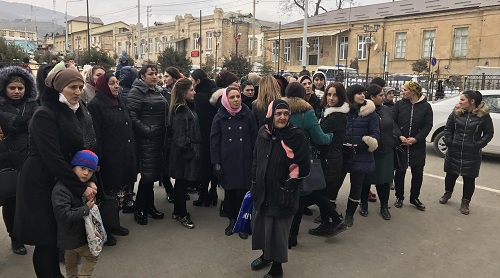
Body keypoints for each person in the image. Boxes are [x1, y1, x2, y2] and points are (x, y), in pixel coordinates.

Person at [14, 68, 97, 277]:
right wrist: (80, 187)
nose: (78, 91)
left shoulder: (74, 110)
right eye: (72, 87)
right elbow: (52, 157)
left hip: (60, 177)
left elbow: (81, 151)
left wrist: (91, 179)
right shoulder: (44, 113)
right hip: (40, 180)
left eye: (80, 87)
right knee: (46, 239)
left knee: (55, 238)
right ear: (59, 88)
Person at [250, 99, 310, 278]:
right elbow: (256, 159)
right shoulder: (263, 132)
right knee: (262, 228)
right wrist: (254, 181)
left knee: (278, 234)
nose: (282, 117)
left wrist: (289, 186)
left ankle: (277, 268)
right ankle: (266, 256)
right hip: (262, 192)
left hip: (282, 194)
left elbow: (303, 166)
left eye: (286, 114)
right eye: (278, 113)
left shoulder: (296, 135)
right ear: (271, 115)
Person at [87, 71, 137, 239]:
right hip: (108, 158)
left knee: (118, 194)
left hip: (123, 155)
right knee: (107, 195)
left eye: (117, 82)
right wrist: (99, 159)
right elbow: (96, 135)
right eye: (112, 83)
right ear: (103, 86)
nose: (116, 86)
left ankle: (114, 224)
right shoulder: (96, 105)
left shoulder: (119, 102)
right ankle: (105, 230)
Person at [0, 66, 39, 255]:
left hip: (29, 157)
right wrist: (25, 121)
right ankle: (15, 237)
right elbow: (11, 123)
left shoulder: (32, 103)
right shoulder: (1, 105)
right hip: (7, 159)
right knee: (12, 201)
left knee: (31, 199)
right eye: (12, 88)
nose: (16, 92)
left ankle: (28, 231)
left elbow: (38, 122)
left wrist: (24, 121)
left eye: (20, 88)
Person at [211, 85, 257, 238]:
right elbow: (214, 141)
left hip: (245, 159)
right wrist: (216, 162)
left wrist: (255, 159)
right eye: (232, 97)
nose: (236, 100)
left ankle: (243, 224)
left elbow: (254, 137)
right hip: (227, 160)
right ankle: (232, 220)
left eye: (238, 96)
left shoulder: (247, 114)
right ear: (226, 99)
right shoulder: (219, 116)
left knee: (243, 193)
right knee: (230, 193)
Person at [330, 84, 380, 227]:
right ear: (351, 95)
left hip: (361, 154)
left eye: (363, 93)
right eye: (358, 93)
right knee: (335, 183)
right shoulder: (342, 111)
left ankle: (349, 214)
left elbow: (375, 133)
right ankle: (329, 211)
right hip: (343, 154)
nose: (362, 95)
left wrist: (366, 144)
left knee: (357, 185)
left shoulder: (371, 113)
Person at [439, 90, 494, 214]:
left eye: (463, 99)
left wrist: (477, 145)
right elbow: (448, 128)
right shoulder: (456, 113)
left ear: (472, 101)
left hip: (472, 153)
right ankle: (447, 193)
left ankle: (465, 202)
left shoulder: (483, 116)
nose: (460, 102)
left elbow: (488, 133)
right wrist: (449, 141)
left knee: (469, 179)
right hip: (454, 149)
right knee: (450, 174)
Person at [127, 64, 167, 225]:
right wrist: (147, 131)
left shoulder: (158, 90)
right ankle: (140, 209)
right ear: (142, 76)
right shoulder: (136, 92)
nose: (155, 76)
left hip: (159, 139)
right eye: (151, 74)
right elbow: (132, 115)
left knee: (153, 175)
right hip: (146, 140)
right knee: (147, 176)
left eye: (156, 73)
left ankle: (149, 205)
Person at [309, 82, 350, 235]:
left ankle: (337, 220)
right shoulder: (329, 112)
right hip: (328, 158)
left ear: (341, 97)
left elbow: (319, 133)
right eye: (329, 94)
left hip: (330, 160)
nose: (331, 98)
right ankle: (326, 224)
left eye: (335, 95)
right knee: (323, 193)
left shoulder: (337, 116)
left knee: (319, 193)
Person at [52, 150, 100, 278]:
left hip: (69, 237)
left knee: (71, 261)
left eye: (90, 171)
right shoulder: (62, 189)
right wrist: (86, 208)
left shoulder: (81, 185)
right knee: (93, 256)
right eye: (82, 168)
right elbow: (63, 215)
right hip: (74, 236)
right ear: (73, 167)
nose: (86, 173)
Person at [393, 81, 433, 211]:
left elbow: (428, 125)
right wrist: (400, 136)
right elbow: (393, 122)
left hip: (417, 146)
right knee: (400, 172)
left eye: (405, 89)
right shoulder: (399, 105)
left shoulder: (426, 107)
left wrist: (416, 139)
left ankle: (414, 198)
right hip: (401, 144)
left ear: (414, 92)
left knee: (417, 173)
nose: (402, 92)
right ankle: (399, 196)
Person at [168, 78, 201, 229]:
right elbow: (180, 137)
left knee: (181, 184)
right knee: (181, 184)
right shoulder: (180, 110)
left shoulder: (186, 107)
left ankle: (177, 212)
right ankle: (181, 214)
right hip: (183, 155)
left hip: (185, 153)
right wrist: (191, 152)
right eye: (191, 90)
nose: (194, 92)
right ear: (183, 92)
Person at [360, 84, 395, 220]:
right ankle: (363, 203)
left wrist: (395, 138)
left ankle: (384, 206)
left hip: (386, 151)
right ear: (372, 97)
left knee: (384, 181)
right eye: (380, 95)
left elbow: (392, 126)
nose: (383, 97)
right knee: (366, 180)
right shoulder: (364, 111)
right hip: (370, 151)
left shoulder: (386, 109)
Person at [190, 69, 218, 207]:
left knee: (204, 166)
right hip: (214, 134)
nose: (192, 84)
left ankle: (204, 194)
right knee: (213, 164)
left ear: (198, 81)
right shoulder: (214, 93)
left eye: (192, 81)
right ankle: (213, 191)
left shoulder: (198, 97)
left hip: (202, 135)